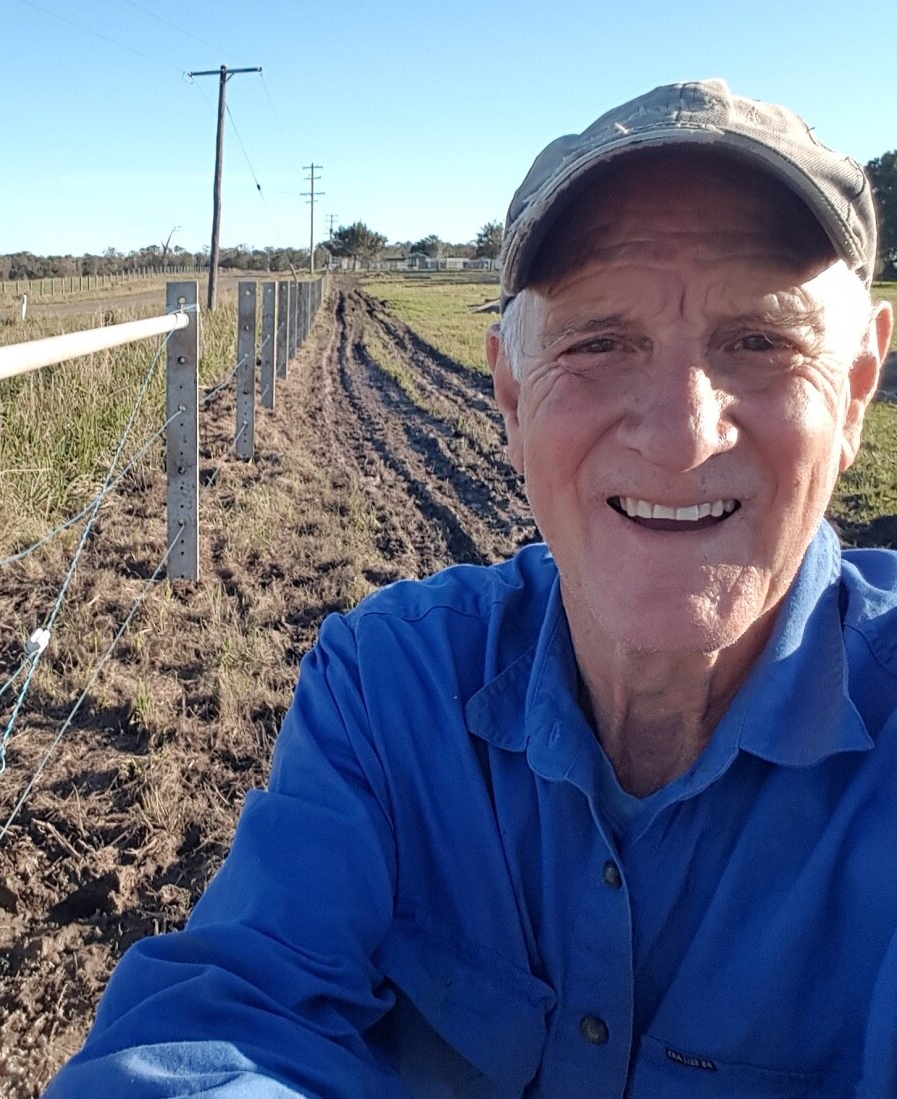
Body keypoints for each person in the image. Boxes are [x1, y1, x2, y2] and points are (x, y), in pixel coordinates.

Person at [44, 79, 897, 1097]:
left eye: (759, 342)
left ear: (853, 393)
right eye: (596, 343)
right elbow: (237, 1013)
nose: (678, 433)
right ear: (508, 392)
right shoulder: (389, 687)